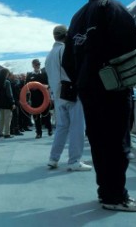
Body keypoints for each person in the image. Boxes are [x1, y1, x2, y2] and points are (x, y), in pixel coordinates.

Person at [62, 0, 136, 212]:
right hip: (113, 87)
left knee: (99, 142)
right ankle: (116, 196)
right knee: (118, 142)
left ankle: (106, 192)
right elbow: (134, 40)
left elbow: (68, 60)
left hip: (88, 90)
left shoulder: (76, 18)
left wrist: (83, 79)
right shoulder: (112, 7)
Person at [45, 25, 92, 172]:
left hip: (58, 95)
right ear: (66, 35)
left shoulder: (49, 55)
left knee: (62, 127)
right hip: (71, 93)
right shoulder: (65, 50)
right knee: (77, 127)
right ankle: (74, 160)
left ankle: (53, 158)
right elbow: (73, 69)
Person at [26, 59, 52, 138]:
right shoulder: (30, 75)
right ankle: (38, 132)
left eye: (39, 64)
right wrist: (31, 88)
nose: (38, 66)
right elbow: (26, 86)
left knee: (46, 115)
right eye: (36, 64)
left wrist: (44, 86)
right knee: (36, 116)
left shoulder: (44, 74)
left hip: (44, 98)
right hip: (34, 98)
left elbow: (49, 84)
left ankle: (49, 129)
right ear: (33, 65)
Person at [0, 68, 16, 138]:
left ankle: (0, 133)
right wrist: (12, 102)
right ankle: (7, 133)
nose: (8, 75)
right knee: (7, 119)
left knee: (2, 119)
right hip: (7, 103)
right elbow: (9, 94)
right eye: (7, 73)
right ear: (5, 74)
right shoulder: (7, 82)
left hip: (1, 104)